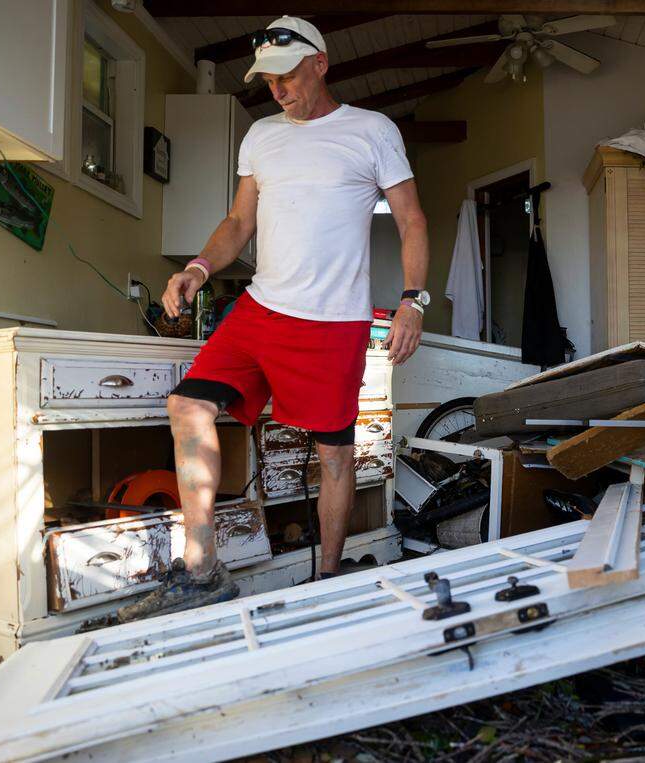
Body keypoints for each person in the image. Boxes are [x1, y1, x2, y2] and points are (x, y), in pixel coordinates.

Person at [118, 16, 431, 622]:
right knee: (187, 404)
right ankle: (202, 567)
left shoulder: (372, 131)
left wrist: (412, 301)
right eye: (268, 81)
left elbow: (412, 219)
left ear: (320, 64)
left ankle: (331, 578)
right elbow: (239, 222)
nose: (279, 91)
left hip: (331, 322)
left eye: (288, 77)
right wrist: (199, 269)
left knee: (334, 454)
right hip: (261, 308)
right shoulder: (260, 136)